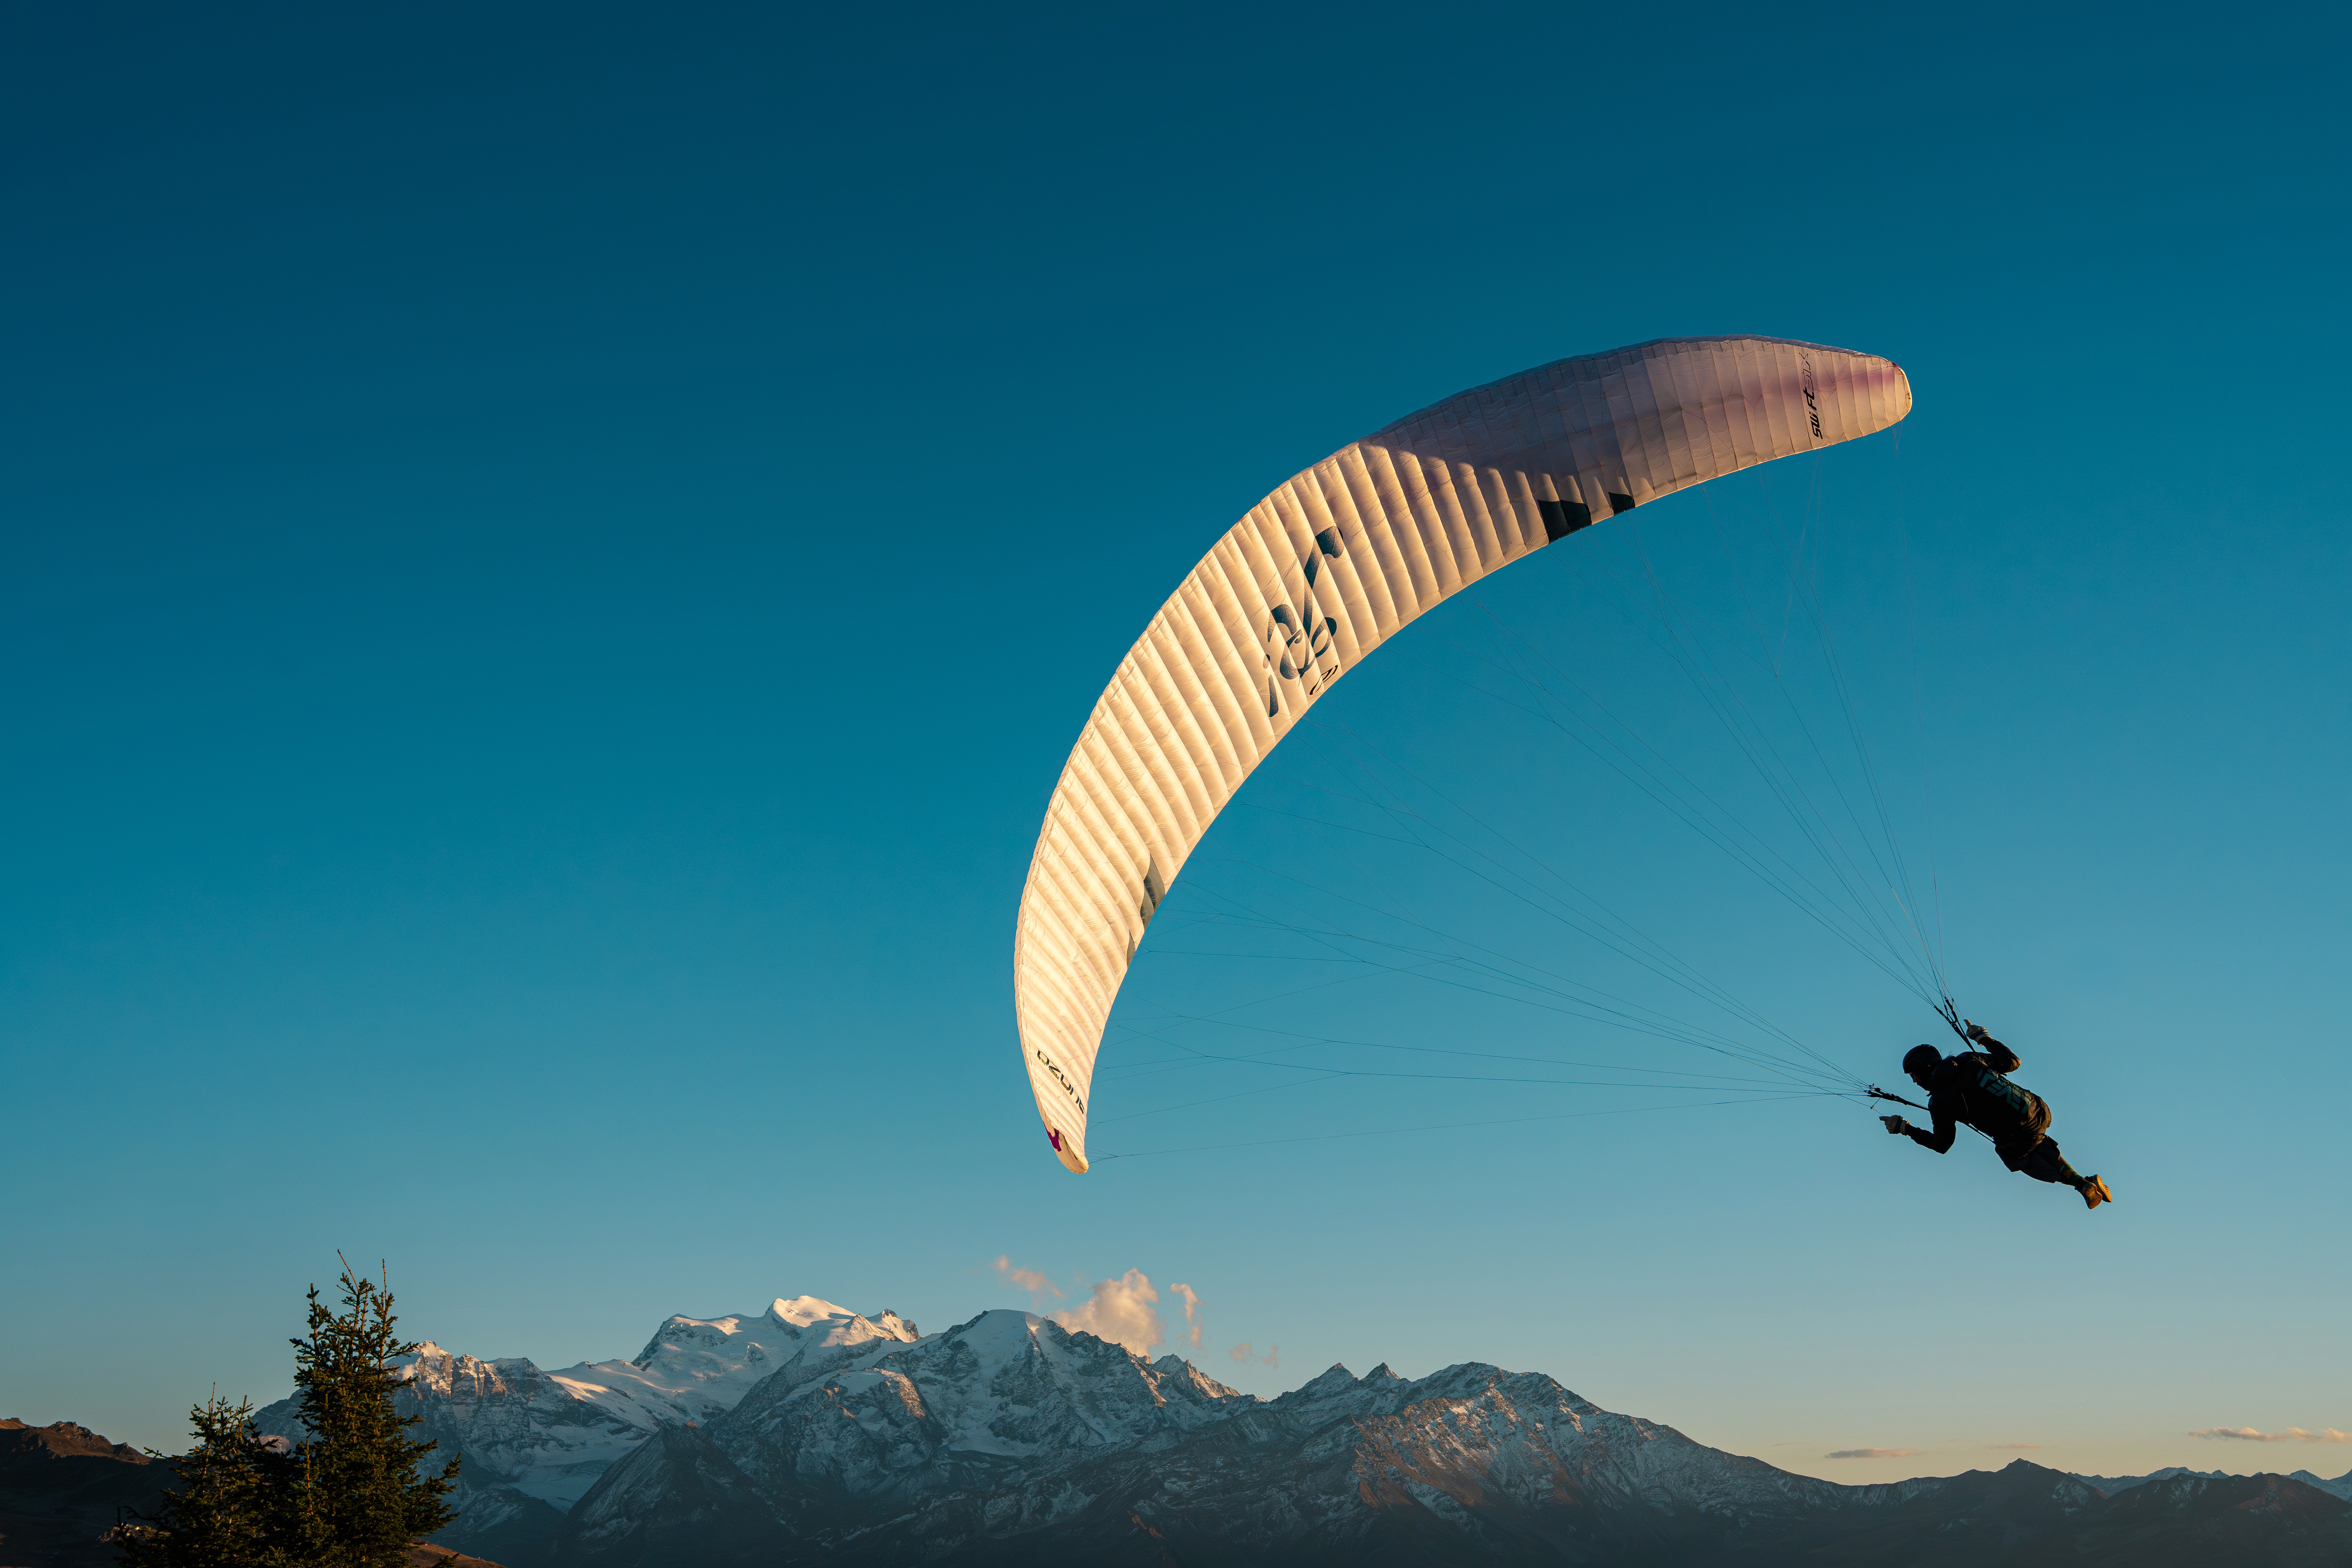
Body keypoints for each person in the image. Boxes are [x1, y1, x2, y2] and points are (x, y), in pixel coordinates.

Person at [1879, 1021, 2113, 1210]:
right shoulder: (1968, 1059)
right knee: (2034, 1138)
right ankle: (2084, 1185)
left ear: (1924, 1071)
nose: (1914, 1081)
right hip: (2040, 1111)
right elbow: (2013, 1062)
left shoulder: (1940, 1101)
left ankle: (2080, 1184)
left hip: (2017, 1139)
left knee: (2017, 1154)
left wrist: (1905, 1128)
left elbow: (1942, 1145)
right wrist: (1983, 1038)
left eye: (1913, 1076)